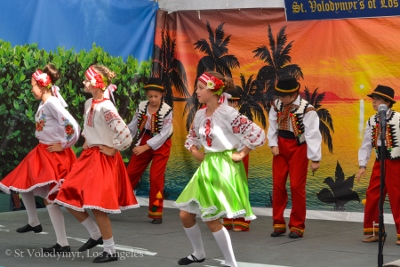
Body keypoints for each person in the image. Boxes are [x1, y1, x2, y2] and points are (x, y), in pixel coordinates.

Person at [174, 71, 265, 267]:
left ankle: (231, 263)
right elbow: (192, 138)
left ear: (213, 90)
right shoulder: (199, 114)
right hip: (207, 166)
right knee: (185, 214)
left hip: (222, 167)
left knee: (211, 218)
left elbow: (257, 133)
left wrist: (241, 154)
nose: (196, 91)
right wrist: (195, 151)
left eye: (200, 88)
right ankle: (198, 253)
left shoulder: (228, 113)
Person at [53, 64, 139, 263]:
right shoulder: (89, 104)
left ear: (96, 83)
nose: (84, 82)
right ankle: (95, 234)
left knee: (97, 206)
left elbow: (125, 133)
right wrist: (86, 139)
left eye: (87, 79)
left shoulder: (106, 107)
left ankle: (110, 250)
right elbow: (89, 128)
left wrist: (114, 148)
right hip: (89, 156)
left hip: (102, 158)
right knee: (66, 196)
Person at [0, 64, 80, 253]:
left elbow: (73, 127)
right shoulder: (46, 102)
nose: (31, 89)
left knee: (51, 199)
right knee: (23, 183)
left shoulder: (52, 102)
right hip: (42, 151)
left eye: (33, 85)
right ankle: (34, 222)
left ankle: (69, 241)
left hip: (53, 155)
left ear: (42, 86)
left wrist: (64, 144)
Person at [267, 75, 322, 239]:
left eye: (283, 96)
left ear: (293, 94)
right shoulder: (276, 105)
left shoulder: (307, 109)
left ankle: (297, 226)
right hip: (280, 146)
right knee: (278, 185)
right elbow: (272, 124)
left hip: (298, 147)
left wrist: (315, 158)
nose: (280, 98)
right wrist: (273, 143)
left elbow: (313, 134)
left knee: (297, 186)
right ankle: (278, 223)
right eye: (279, 95)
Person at [356, 85, 400, 245]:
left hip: (396, 163)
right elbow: (367, 144)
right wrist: (362, 165)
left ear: (387, 102)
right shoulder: (372, 120)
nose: (373, 102)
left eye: (377, 99)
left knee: (397, 197)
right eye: (373, 99)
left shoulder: (398, 118)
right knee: (373, 195)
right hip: (379, 162)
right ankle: (376, 231)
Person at [126, 77, 173, 224]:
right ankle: (117, 202)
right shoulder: (141, 106)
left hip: (162, 144)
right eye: (150, 96)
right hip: (144, 140)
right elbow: (133, 126)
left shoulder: (167, 111)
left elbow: (164, 134)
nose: (153, 99)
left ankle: (156, 212)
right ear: (146, 95)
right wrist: (121, 139)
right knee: (130, 173)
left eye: (156, 96)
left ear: (162, 95)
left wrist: (145, 147)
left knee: (155, 178)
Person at [222, 86, 251, 232]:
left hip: (239, 155)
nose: (232, 105)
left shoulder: (242, 119)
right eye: (229, 102)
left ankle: (241, 219)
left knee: (239, 186)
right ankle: (227, 217)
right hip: (224, 156)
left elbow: (253, 137)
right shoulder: (218, 119)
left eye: (235, 102)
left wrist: (242, 153)